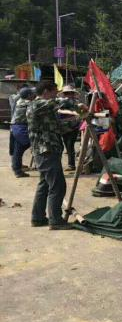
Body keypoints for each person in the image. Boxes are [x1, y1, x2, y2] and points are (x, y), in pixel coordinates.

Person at [27, 80, 84, 229]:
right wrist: (76, 103)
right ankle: (55, 220)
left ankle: (38, 218)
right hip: (45, 151)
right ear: (46, 91)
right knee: (57, 186)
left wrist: (77, 120)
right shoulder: (37, 105)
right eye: (54, 92)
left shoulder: (44, 110)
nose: (55, 95)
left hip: (48, 150)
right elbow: (57, 102)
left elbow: (58, 127)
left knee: (45, 185)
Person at [10, 87, 35, 178]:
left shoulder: (18, 100)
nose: (34, 95)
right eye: (33, 94)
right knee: (19, 149)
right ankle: (17, 170)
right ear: (28, 95)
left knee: (17, 150)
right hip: (21, 128)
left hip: (16, 127)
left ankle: (17, 166)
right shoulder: (28, 103)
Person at [57, 85, 81, 171]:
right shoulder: (63, 102)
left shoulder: (73, 102)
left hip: (72, 126)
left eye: (69, 93)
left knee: (70, 145)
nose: (68, 95)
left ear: (72, 94)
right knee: (66, 145)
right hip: (63, 127)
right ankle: (70, 164)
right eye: (66, 93)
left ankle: (71, 165)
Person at [8, 84, 29, 157]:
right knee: (14, 146)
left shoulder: (26, 99)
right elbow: (15, 99)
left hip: (20, 124)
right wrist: (23, 93)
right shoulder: (12, 97)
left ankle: (17, 163)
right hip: (14, 124)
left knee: (19, 145)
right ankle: (15, 164)